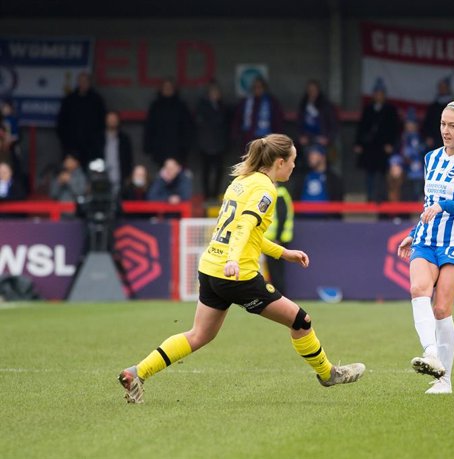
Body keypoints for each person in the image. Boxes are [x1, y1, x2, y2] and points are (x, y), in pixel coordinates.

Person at [118, 134, 365, 403]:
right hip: (236, 275)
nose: (295, 166)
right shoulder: (266, 190)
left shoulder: (240, 182)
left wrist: (283, 253)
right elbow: (244, 227)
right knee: (301, 320)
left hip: (211, 269)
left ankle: (137, 372)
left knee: (199, 334)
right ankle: (328, 374)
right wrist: (234, 260)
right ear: (280, 162)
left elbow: (250, 234)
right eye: (293, 161)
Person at [397, 97, 454, 394]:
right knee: (417, 289)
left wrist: (446, 205)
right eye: (442, 124)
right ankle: (430, 354)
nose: (445, 131)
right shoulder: (431, 159)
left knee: (441, 308)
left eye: (452, 126)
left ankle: (444, 381)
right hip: (427, 239)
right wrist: (415, 230)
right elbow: (428, 203)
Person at [354, 78, 402, 203]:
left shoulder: (391, 110)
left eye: (381, 94)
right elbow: (362, 127)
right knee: (369, 174)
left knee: (383, 174)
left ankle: (381, 198)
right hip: (370, 147)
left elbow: (395, 129)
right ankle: (370, 197)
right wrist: (358, 143)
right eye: (376, 94)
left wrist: (391, 144)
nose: (378, 96)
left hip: (384, 148)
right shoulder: (368, 109)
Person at [56, 72, 106, 168]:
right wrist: (66, 142)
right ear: (78, 82)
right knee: (71, 175)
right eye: (81, 81)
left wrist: (97, 142)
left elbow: (102, 123)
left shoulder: (97, 100)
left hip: (93, 149)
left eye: (86, 81)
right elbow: (61, 123)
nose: (83, 84)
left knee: (94, 174)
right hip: (71, 148)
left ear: (90, 83)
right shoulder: (69, 100)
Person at [144, 78, 195, 167]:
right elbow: (149, 128)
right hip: (160, 149)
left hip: (177, 149)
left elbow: (187, 128)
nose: (167, 89)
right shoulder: (155, 106)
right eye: (165, 87)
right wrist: (148, 146)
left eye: (170, 87)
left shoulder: (181, 106)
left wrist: (185, 147)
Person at [196, 80, 231, 199]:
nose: (215, 94)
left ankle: (215, 194)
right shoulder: (202, 106)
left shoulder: (223, 107)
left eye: (217, 92)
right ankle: (207, 195)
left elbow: (226, 125)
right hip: (206, 144)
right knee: (206, 171)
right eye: (213, 92)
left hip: (219, 145)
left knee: (219, 171)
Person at [293, 144, 344, 219]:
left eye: (313, 154)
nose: (310, 158)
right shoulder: (302, 176)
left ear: (322, 157)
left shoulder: (333, 178)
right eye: (309, 155)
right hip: (302, 221)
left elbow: (338, 201)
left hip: (326, 222)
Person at [296, 79, 338, 170]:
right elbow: (299, 123)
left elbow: (333, 124)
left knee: (322, 167)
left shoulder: (325, 105)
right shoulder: (303, 104)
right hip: (307, 140)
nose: (312, 92)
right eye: (309, 90)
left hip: (321, 141)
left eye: (314, 90)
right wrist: (301, 137)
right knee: (306, 165)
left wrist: (328, 138)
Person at [232, 77, 285, 148]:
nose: (257, 89)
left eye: (260, 87)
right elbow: (238, 118)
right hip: (248, 139)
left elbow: (278, 120)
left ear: (264, 88)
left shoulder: (271, 102)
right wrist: (235, 135)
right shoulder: (246, 102)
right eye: (255, 87)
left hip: (266, 139)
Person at [264, 184, 293, 294]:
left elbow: (282, 216)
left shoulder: (279, 193)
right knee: (275, 271)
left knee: (276, 272)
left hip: (276, 240)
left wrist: (278, 238)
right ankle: (280, 297)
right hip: (273, 240)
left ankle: (280, 297)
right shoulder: (279, 193)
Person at [96, 111, 133, 197]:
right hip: (102, 179)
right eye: (110, 119)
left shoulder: (124, 139)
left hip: (119, 178)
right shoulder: (98, 139)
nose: (112, 121)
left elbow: (129, 159)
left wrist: (128, 176)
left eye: (114, 119)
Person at [421, 77, 454, 149]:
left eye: (444, 87)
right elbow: (428, 123)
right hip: (435, 140)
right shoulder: (434, 106)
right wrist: (428, 136)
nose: (442, 89)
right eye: (440, 87)